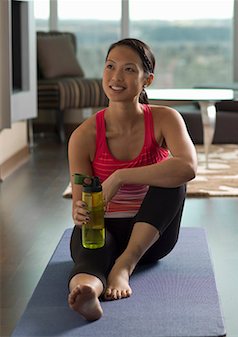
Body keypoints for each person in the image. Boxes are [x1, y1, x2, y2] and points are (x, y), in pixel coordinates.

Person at [66, 38, 197, 321]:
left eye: (128, 69)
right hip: (104, 229)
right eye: (110, 67)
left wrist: (121, 176)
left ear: (147, 79)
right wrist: (79, 211)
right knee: (92, 253)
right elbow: (80, 202)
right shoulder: (84, 135)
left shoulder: (165, 118)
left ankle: (124, 266)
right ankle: (87, 290)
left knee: (173, 179)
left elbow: (188, 167)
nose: (116, 77)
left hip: (151, 239)